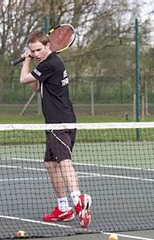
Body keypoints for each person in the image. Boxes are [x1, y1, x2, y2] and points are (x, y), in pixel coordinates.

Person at [19, 31, 91, 227]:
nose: (35, 54)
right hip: (54, 122)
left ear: (48, 46)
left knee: (63, 161)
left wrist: (26, 60)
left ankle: (78, 200)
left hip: (60, 122)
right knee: (51, 164)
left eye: (38, 50)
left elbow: (23, 79)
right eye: (32, 51)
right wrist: (33, 62)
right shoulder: (46, 66)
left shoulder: (51, 63)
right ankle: (63, 208)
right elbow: (35, 87)